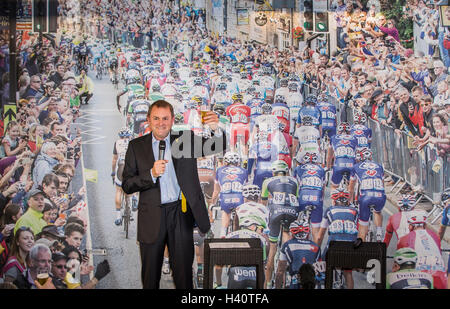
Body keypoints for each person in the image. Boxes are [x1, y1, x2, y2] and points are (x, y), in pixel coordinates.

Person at [121, 100, 225, 289]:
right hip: (151, 217)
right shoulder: (136, 146)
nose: (161, 123)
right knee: (150, 278)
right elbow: (127, 185)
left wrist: (215, 129)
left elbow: (215, 146)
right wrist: (150, 174)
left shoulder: (184, 139)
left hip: (180, 214)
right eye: (156, 118)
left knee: (184, 277)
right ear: (148, 120)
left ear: (172, 120)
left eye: (166, 118)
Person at [397, 214, 447, 289]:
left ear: (410, 226)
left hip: (420, 276)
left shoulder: (404, 239)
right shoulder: (434, 236)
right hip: (440, 274)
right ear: (425, 225)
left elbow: (398, 265)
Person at [275, 219, 321, 289]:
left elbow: (280, 271)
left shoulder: (287, 245)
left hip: (296, 280)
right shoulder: (316, 247)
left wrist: (277, 287)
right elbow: (319, 269)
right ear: (308, 233)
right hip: (312, 281)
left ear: (292, 234)